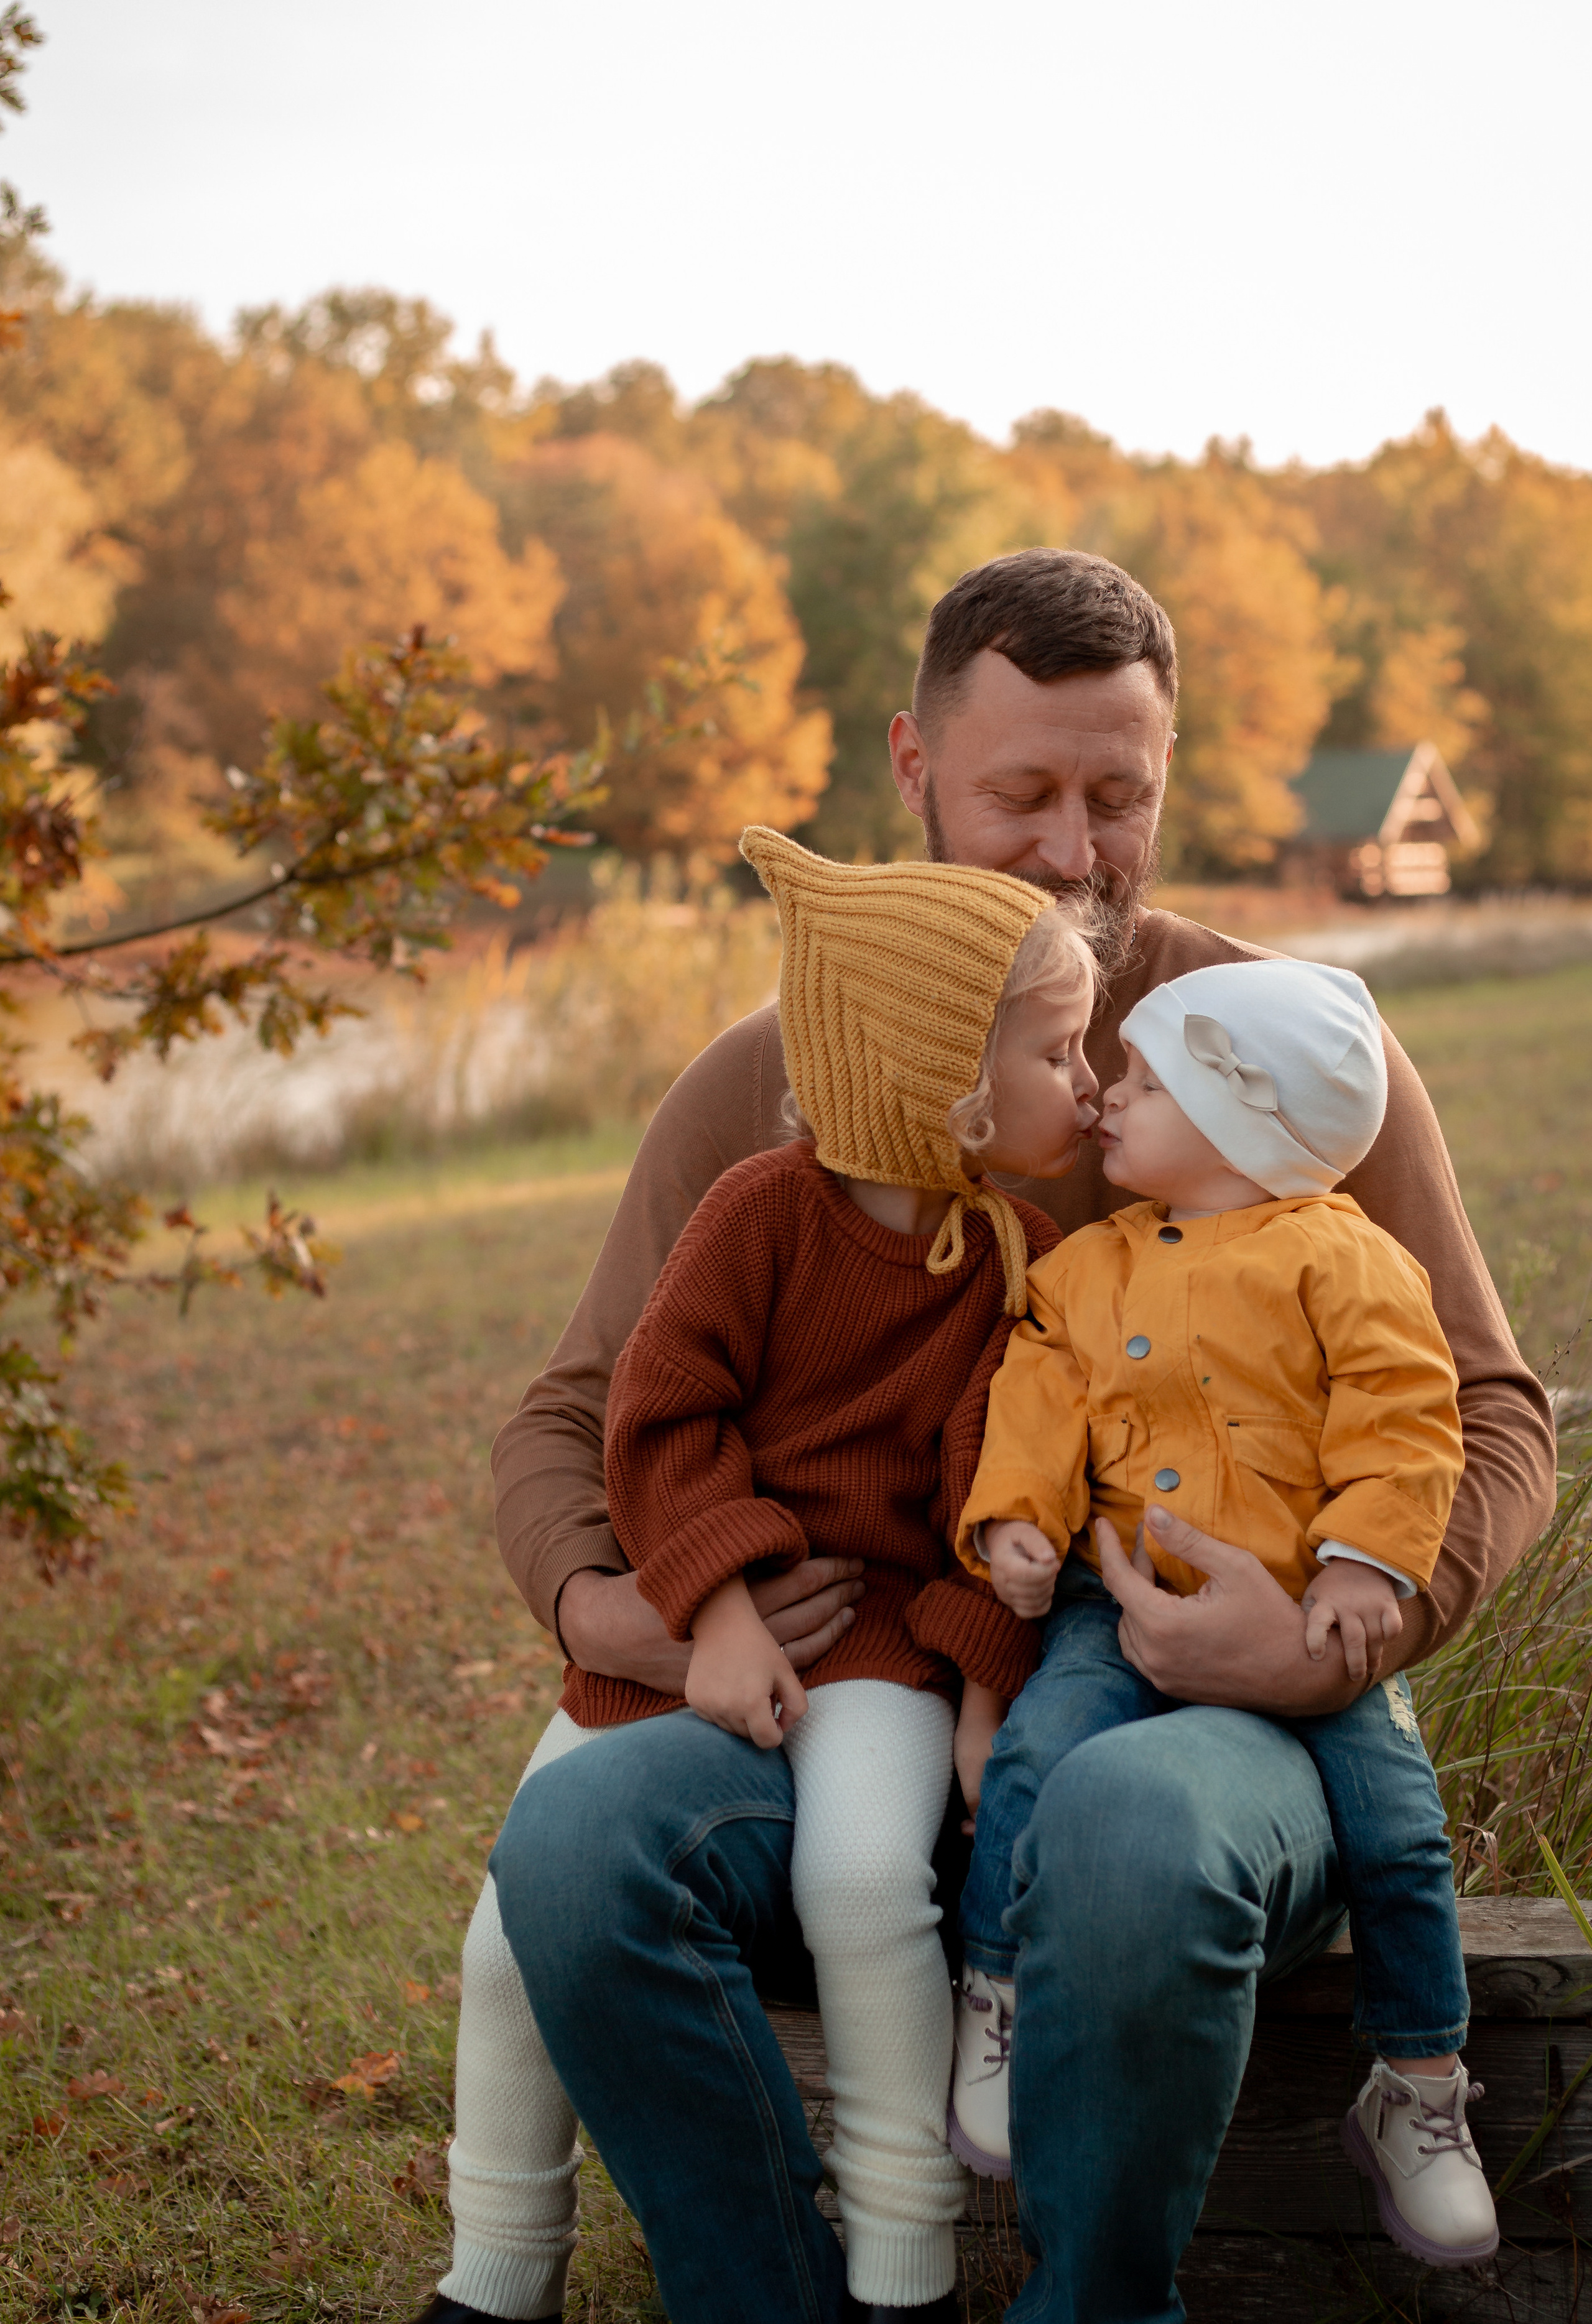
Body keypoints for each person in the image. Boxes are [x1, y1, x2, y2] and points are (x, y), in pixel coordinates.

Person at [446, 550, 1553, 2324]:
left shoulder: (1285, 1056)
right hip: (857, 1694)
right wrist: (603, 1603)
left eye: (1120, 797)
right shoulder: (779, 1073)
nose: (1071, 849)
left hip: (1193, 1693)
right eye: (1021, 792)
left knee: (1122, 1815)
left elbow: (1485, 1407)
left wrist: (1350, 1622)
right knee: (575, 1854)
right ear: (914, 768)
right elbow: (579, 1413)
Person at [429, 828, 1101, 2323]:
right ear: (944, 1082)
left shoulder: (1018, 1265)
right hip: (697, 1618)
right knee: (505, 1935)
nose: (1091, 1088)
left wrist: (982, 1677)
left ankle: (901, 2260)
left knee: (862, 1886)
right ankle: (492, 2277)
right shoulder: (755, 1216)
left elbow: (1002, 1493)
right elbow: (656, 1416)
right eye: (1059, 1055)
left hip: (885, 1650)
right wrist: (711, 1614)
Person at [950, 956, 1497, 2269]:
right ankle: (996, 1990)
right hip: (1108, 1597)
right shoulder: (1086, 1269)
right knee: (1035, 1749)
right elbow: (1035, 1387)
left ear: (1238, 1116)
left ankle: (1416, 2083)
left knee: (1399, 1829)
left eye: (1138, 1081)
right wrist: (1014, 1516)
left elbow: (1407, 1418)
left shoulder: (1344, 1261)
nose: (1105, 1104)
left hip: (1308, 1617)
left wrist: (1367, 1568)